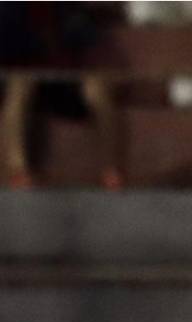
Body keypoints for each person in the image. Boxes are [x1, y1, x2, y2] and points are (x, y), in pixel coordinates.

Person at [1, 2, 121, 190]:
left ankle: (110, 169)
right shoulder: (11, 10)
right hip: (29, 81)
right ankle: (18, 170)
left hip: (64, 82)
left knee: (96, 87)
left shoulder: (68, 11)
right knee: (20, 84)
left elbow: (91, 44)